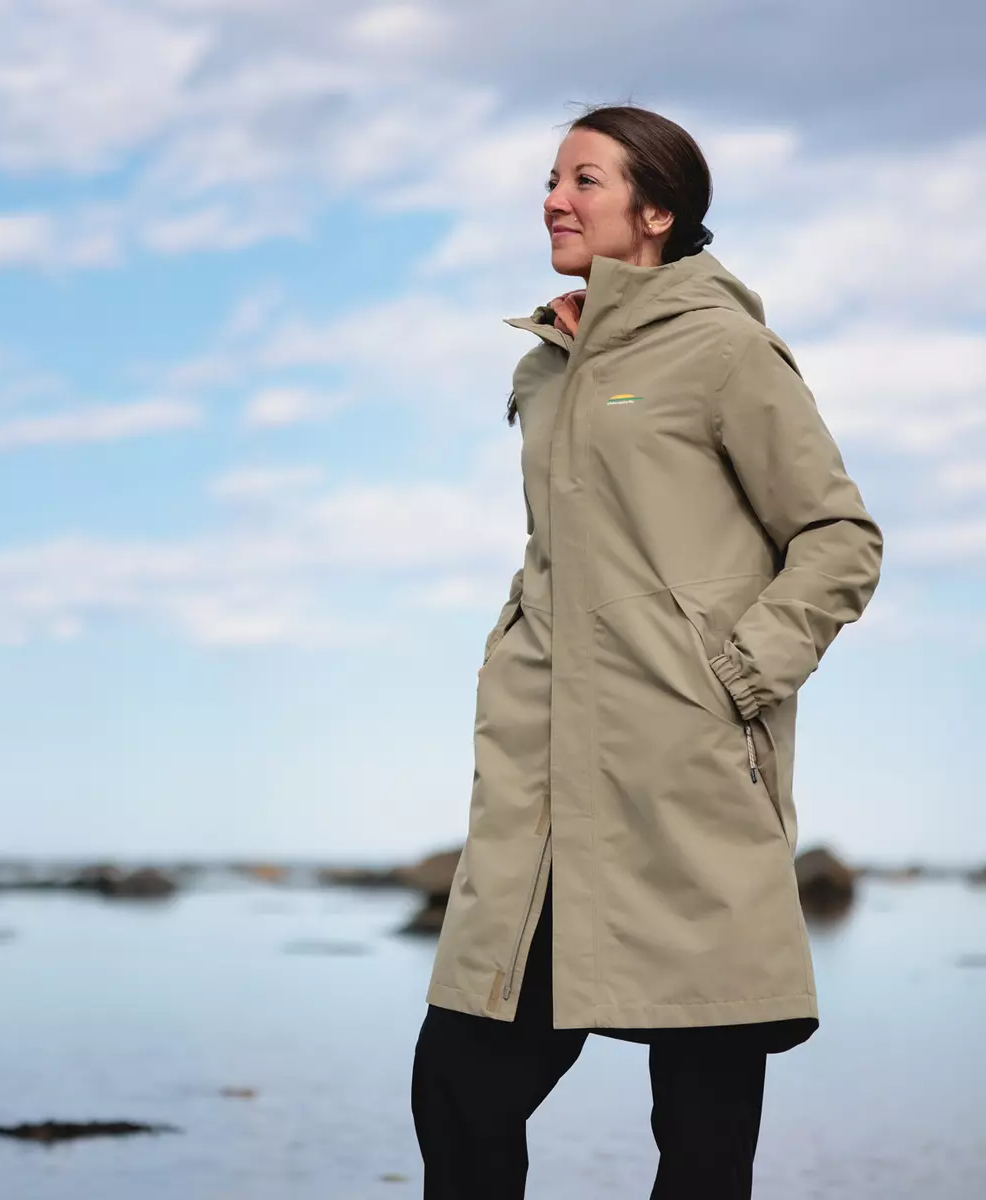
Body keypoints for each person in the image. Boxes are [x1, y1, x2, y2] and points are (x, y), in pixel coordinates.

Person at [410, 104, 884, 1199]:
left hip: (687, 779)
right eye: (550, 179)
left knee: (703, 1132)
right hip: (546, 789)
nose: (554, 200)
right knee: (460, 1090)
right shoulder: (544, 367)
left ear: (658, 211)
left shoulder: (723, 350)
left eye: (585, 180)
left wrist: (737, 674)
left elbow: (838, 537)